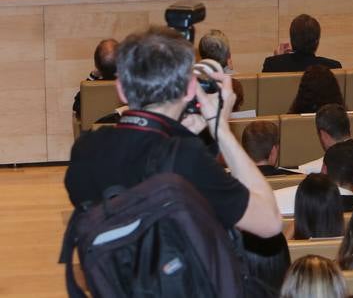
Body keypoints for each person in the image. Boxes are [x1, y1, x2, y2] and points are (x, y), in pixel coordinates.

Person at [65, 27, 282, 246]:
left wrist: (182, 135)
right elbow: (269, 223)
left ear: (120, 89)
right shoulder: (186, 158)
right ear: (190, 90)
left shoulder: (86, 149)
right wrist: (221, 130)